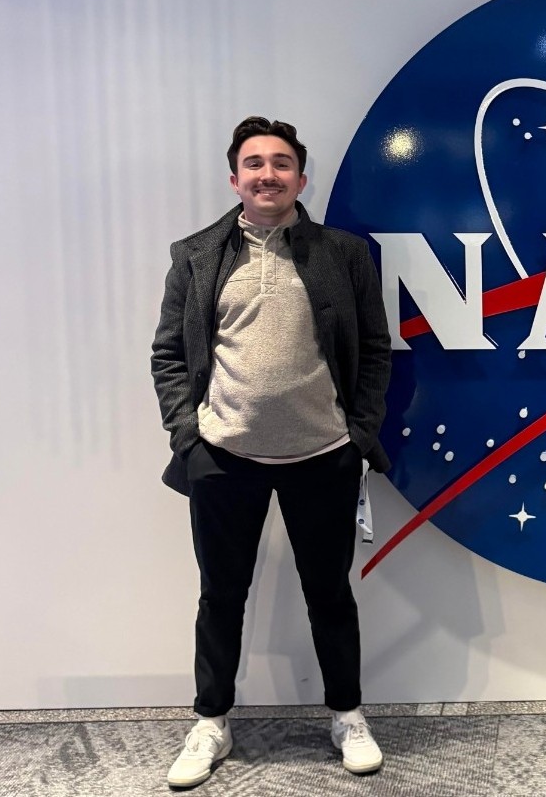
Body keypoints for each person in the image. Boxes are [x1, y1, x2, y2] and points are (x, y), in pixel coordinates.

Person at [151, 116, 392, 788]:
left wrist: (358, 435)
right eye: (254, 163)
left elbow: (375, 348)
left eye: (281, 163)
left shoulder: (344, 254)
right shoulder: (195, 256)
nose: (268, 174)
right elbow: (167, 354)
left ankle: (347, 715)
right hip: (223, 458)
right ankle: (211, 722)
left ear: (300, 178)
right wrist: (187, 435)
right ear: (234, 179)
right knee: (220, 595)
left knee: (330, 595)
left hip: (324, 454)